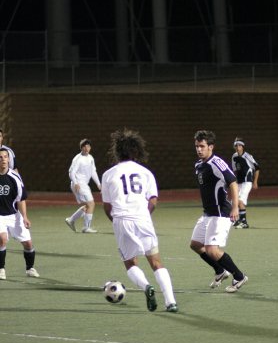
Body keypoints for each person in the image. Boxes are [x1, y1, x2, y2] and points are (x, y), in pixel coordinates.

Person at [101, 128, 178, 313]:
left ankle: (146, 287)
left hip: (121, 220)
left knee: (130, 263)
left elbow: (106, 206)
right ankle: (171, 302)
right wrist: (144, 215)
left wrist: (116, 221)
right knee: (156, 262)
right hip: (143, 218)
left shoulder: (108, 174)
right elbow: (153, 201)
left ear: (117, 151)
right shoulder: (146, 173)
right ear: (136, 151)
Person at [190, 129, 248, 293]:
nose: (199, 149)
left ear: (211, 147)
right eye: (197, 146)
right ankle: (220, 271)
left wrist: (235, 206)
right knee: (195, 245)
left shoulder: (217, 163)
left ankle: (239, 276)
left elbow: (233, 182)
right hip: (207, 214)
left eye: (202, 146)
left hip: (221, 214)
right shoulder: (199, 165)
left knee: (212, 250)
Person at [0, 147, 39, 280]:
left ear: (9, 159)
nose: (3, 160)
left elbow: (21, 199)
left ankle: (30, 268)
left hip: (14, 215)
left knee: (28, 244)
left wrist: (25, 217)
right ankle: (1, 269)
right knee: (2, 239)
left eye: (5, 157)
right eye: (0, 157)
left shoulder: (15, 177)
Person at [65, 138, 102, 233]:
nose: (87, 148)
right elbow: (71, 172)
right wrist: (76, 182)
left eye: (88, 146)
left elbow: (93, 171)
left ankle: (71, 220)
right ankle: (86, 227)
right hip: (79, 184)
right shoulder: (78, 159)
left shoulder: (90, 158)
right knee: (91, 204)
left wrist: (98, 183)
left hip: (84, 184)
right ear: (81, 148)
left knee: (88, 205)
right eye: (85, 146)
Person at [231, 137, 260, 228]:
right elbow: (234, 170)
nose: (238, 147)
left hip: (247, 182)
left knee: (240, 200)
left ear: (243, 146)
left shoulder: (248, 156)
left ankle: (244, 222)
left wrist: (255, 182)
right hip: (239, 182)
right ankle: (238, 220)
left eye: (239, 145)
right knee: (234, 201)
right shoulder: (234, 157)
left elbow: (257, 168)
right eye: (236, 145)